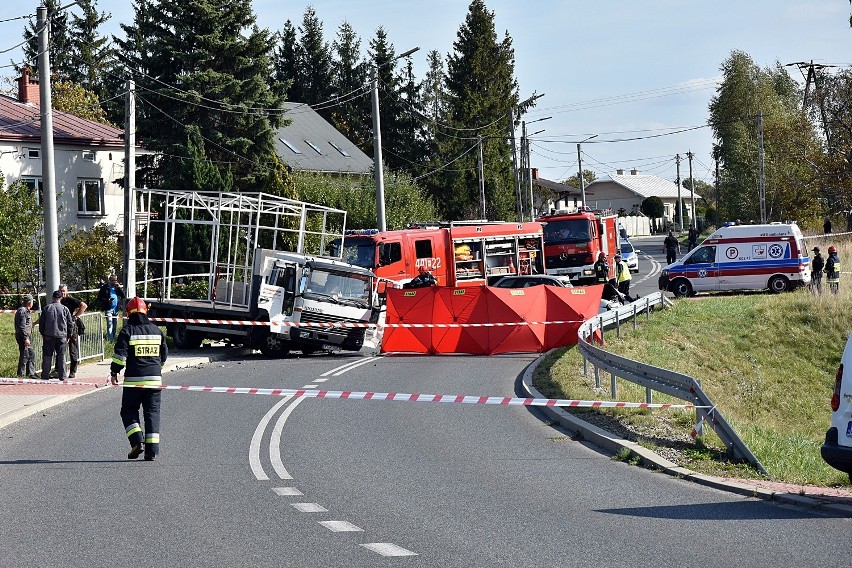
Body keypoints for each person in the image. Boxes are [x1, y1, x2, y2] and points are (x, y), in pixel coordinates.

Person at [111, 297, 168, 461]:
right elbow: (163, 356)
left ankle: (137, 441)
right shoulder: (157, 331)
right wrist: (157, 370)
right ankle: (152, 451)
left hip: (133, 381)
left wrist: (114, 372)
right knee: (152, 413)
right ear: (145, 311)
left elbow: (119, 357)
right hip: (155, 381)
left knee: (128, 411)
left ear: (129, 314)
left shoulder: (127, 331)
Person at [39, 290, 74, 381]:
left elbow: (41, 323)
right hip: (62, 336)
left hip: (48, 336)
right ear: (61, 298)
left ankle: (45, 376)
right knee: (61, 356)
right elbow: (70, 324)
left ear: (53, 298)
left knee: (47, 356)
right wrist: (68, 335)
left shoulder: (46, 308)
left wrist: (43, 333)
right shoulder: (65, 309)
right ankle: (62, 376)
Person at [58, 283, 87, 379]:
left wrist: (75, 316)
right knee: (60, 348)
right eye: (60, 291)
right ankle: (59, 370)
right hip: (61, 328)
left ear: (67, 291)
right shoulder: (57, 301)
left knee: (73, 349)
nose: (62, 293)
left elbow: (83, 305)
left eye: (63, 291)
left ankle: (72, 371)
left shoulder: (70, 300)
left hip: (71, 327)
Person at [15, 294, 37, 379]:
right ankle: (21, 375)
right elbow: (22, 326)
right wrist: (25, 338)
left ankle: (31, 373)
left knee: (31, 354)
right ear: (29, 302)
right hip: (23, 337)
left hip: (26, 336)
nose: (32, 303)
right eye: (32, 302)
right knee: (24, 355)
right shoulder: (22, 311)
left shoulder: (26, 310)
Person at [97, 274, 126, 341]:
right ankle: (110, 339)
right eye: (113, 280)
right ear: (109, 280)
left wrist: (119, 288)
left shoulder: (116, 287)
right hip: (109, 308)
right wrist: (107, 300)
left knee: (115, 325)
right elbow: (100, 298)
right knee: (110, 324)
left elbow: (123, 296)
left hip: (116, 309)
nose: (114, 282)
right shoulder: (104, 287)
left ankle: (113, 337)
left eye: (116, 280)